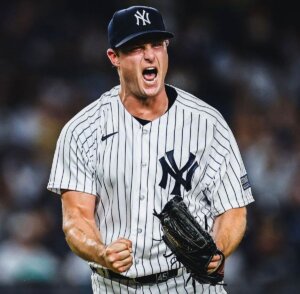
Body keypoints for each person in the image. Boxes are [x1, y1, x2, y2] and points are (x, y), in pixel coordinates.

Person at [47, 5, 254, 294]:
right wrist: (101, 251)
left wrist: (218, 250)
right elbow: (76, 219)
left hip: (190, 284)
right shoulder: (82, 129)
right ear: (114, 57)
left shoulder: (207, 122)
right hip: (115, 286)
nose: (149, 55)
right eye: (135, 47)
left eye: (157, 44)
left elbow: (232, 209)